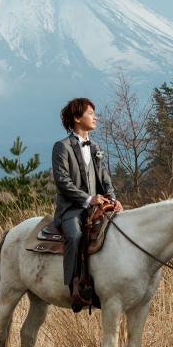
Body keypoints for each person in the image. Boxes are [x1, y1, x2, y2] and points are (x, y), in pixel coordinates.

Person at [52, 97, 123, 310]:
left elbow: (104, 177)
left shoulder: (96, 147)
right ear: (77, 118)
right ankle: (74, 289)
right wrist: (87, 199)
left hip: (97, 208)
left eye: (94, 113)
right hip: (71, 209)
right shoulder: (61, 147)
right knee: (75, 236)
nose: (95, 117)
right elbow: (62, 181)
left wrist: (112, 198)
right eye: (90, 113)